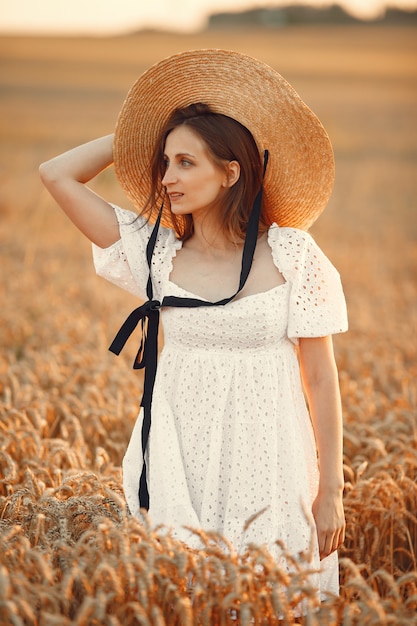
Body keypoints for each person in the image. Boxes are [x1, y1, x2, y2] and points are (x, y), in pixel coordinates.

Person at [39, 49, 348, 602]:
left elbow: (321, 379)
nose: (168, 177)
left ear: (230, 172)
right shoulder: (154, 253)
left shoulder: (294, 255)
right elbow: (55, 174)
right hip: (180, 462)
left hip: (272, 460)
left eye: (186, 162)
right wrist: (140, 134)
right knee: (184, 598)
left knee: (273, 601)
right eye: (164, 162)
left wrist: (332, 490)